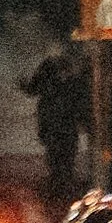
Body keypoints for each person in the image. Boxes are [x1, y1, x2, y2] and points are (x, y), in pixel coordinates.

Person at [23, 43, 84, 207]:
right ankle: (62, 185)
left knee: (57, 155)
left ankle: (59, 186)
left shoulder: (48, 69)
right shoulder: (68, 71)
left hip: (55, 122)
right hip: (63, 123)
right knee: (64, 155)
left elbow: (32, 89)